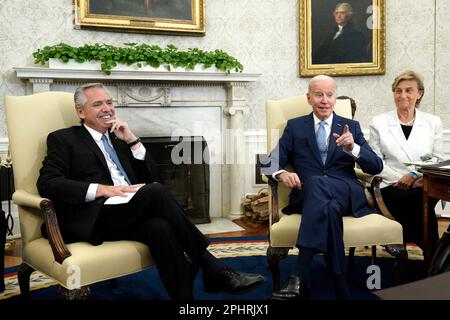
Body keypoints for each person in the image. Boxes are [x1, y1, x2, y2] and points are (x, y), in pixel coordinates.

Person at [36, 82, 265, 300]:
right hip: (95, 216)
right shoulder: (64, 139)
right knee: (155, 192)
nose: (107, 109)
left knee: (160, 228)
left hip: (127, 212)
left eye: (109, 102)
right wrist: (102, 190)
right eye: (98, 104)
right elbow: (48, 182)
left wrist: (133, 141)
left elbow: (153, 178)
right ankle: (212, 267)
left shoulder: (119, 139)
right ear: (81, 112)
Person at [263, 75, 383, 300]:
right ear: (309, 98)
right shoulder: (295, 126)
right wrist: (282, 173)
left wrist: (353, 148)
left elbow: (376, 166)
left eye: (329, 95)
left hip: (346, 191)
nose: (324, 100)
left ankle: (298, 276)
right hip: (311, 198)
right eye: (319, 94)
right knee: (328, 209)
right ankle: (341, 286)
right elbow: (268, 162)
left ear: (335, 98)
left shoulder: (351, 128)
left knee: (317, 181)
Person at [369, 71, 446, 254]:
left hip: (422, 182)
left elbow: (438, 159)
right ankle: (433, 254)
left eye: (409, 90)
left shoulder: (433, 122)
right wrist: (401, 178)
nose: (403, 95)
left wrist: (414, 176)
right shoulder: (379, 122)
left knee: (423, 197)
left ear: (419, 94)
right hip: (390, 184)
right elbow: (375, 161)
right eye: (398, 90)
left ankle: (401, 242)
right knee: (423, 207)